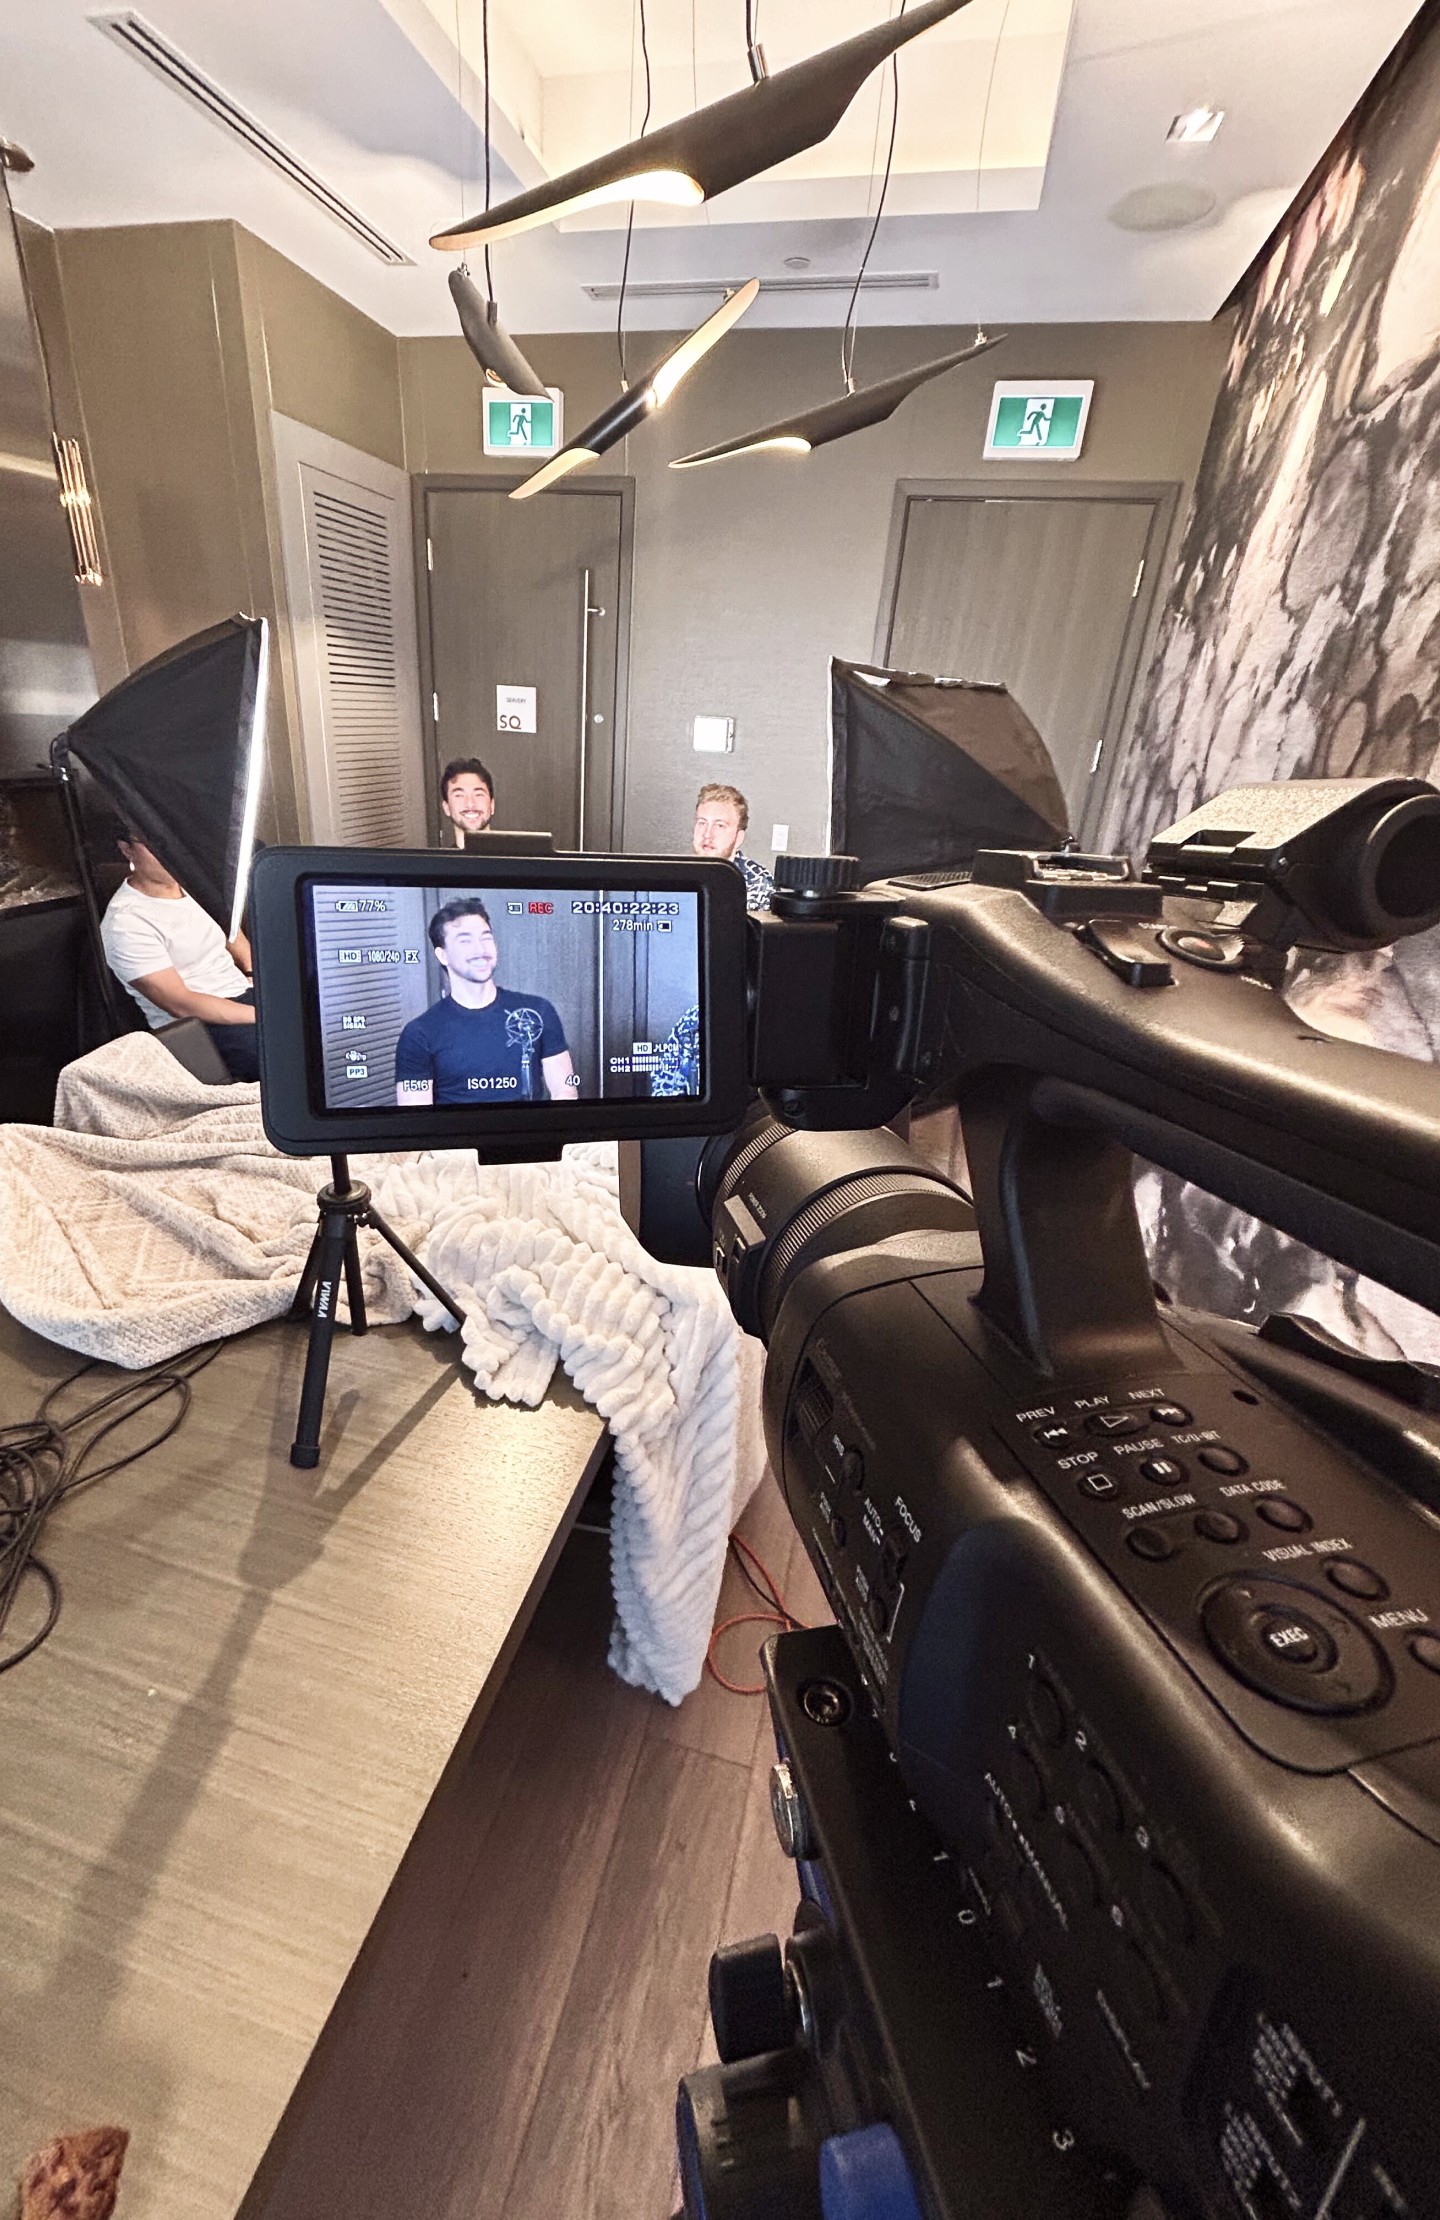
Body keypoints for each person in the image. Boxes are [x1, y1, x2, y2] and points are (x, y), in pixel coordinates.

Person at [99, 829, 259, 1081]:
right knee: (294, 1056)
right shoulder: (126, 921)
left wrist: (252, 973)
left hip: (244, 999)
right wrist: (261, 1016)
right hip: (201, 1029)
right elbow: (180, 1003)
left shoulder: (194, 886)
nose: (166, 852)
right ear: (126, 849)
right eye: (151, 843)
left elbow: (231, 932)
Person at [394, 896, 577, 1105]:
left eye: (486, 937)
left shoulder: (539, 1012)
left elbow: (565, 1092)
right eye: (465, 940)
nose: (480, 950)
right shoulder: (418, 1034)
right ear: (442, 955)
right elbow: (418, 1121)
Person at [691, 783, 773, 911]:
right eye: (702, 823)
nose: (707, 834)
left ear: (739, 837)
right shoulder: (678, 875)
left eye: (719, 826)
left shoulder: (758, 884)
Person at [439, 758, 497, 846]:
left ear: (492, 805)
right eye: (459, 795)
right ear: (446, 808)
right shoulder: (436, 860)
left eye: (478, 794)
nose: (470, 804)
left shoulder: (519, 858)